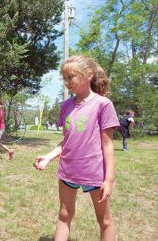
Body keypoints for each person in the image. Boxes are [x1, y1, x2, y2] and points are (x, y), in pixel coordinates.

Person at [33, 55, 119, 241]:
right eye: (64, 78)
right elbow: (67, 140)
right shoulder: (66, 106)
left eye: (70, 77)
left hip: (94, 173)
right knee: (64, 214)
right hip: (68, 171)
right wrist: (48, 157)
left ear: (88, 75)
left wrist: (109, 180)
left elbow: (107, 144)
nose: (66, 82)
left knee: (104, 221)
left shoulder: (103, 105)